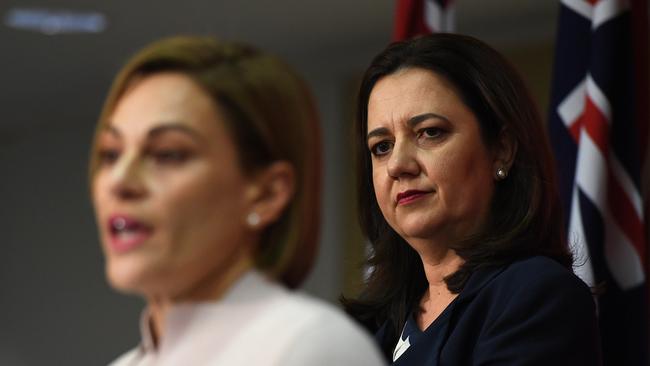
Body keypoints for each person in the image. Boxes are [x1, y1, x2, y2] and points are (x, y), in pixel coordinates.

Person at [90, 35, 385, 366]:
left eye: (167, 154)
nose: (119, 182)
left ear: (267, 193)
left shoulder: (311, 346)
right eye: (111, 154)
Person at [343, 33, 602, 365]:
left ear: (501, 150)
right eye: (382, 146)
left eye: (430, 132)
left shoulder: (536, 295)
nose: (397, 165)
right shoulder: (367, 327)